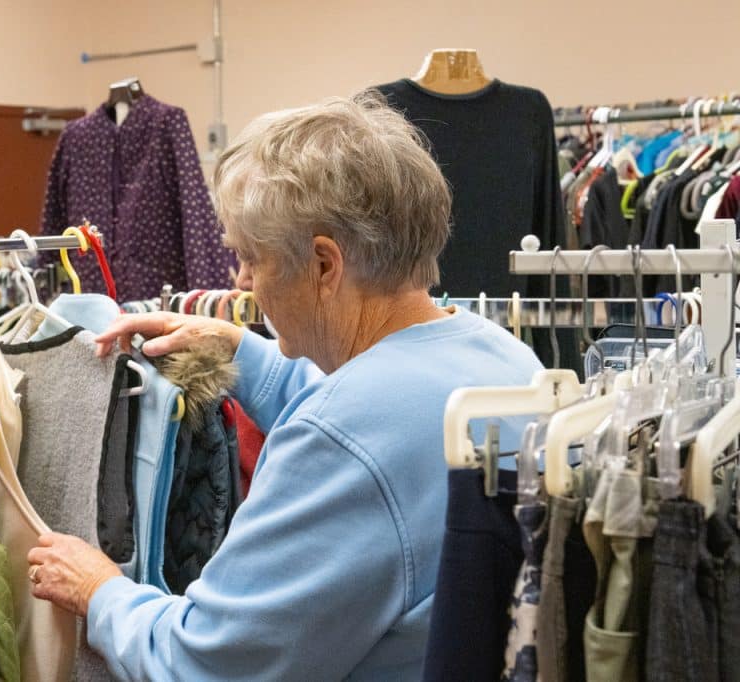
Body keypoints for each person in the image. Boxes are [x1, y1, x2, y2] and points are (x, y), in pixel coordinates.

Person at [27, 93, 542, 680]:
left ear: (325, 265)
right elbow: (379, 417)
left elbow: (205, 663)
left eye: (251, 260)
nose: (243, 286)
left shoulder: (340, 436)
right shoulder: (501, 354)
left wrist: (101, 593)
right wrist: (241, 351)